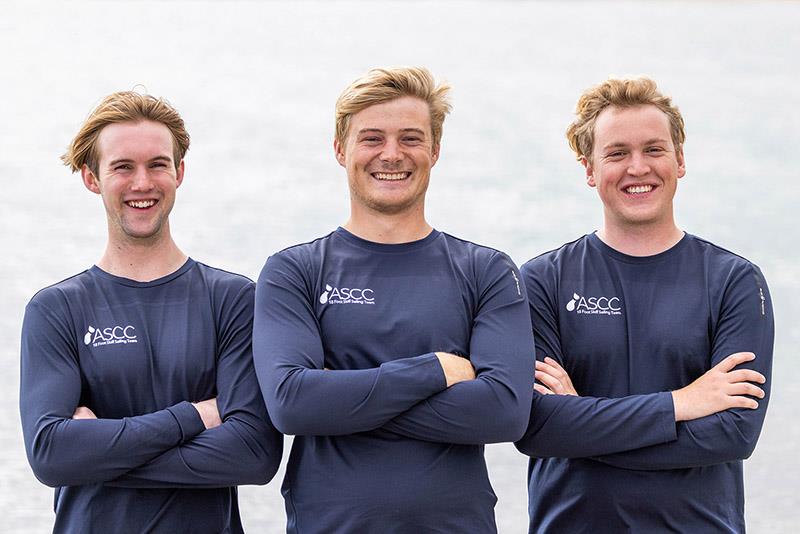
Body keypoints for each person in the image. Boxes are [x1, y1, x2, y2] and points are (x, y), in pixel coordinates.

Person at [253, 66, 534, 533]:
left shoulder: (487, 270)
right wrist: (436, 371)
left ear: (435, 150)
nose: (391, 154)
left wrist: (341, 398)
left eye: (410, 138)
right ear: (340, 149)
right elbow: (291, 404)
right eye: (371, 138)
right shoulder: (294, 271)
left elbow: (504, 412)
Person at [514, 77, 774, 532]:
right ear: (589, 168)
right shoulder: (542, 280)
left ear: (680, 160)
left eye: (654, 150)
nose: (638, 168)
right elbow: (538, 427)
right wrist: (681, 403)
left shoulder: (734, 280)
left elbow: (733, 434)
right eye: (617, 153)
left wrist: (583, 421)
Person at [20, 91, 283, 533]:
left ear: (179, 173)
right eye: (123, 167)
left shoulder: (233, 300)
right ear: (92, 178)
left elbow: (254, 454)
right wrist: (195, 417)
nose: (142, 182)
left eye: (157, 165)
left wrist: (98, 455)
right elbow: (51, 454)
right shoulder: (57, 309)